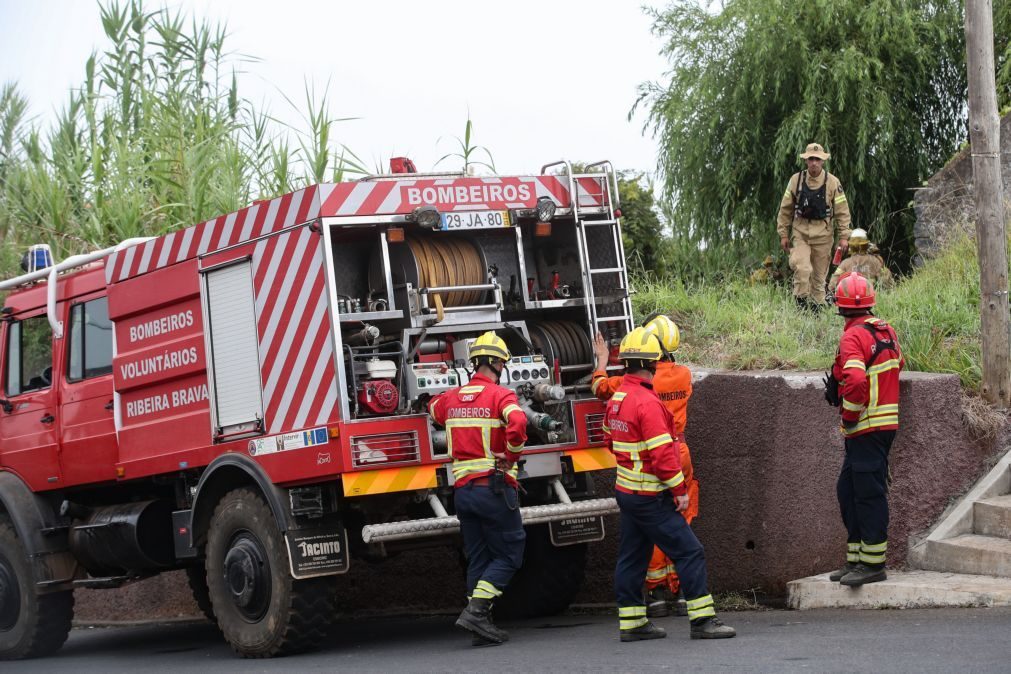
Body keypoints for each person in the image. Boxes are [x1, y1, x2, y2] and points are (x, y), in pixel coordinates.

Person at [605, 327, 735, 641]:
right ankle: (703, 620)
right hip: (651, 496)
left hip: (628, 493)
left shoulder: (619, 398)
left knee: (632, 557)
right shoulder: (648, 403)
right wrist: (679, 492)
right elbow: (664, 455)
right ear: (652, 363)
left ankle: (633, 622)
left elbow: (610, 443)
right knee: (690, 552)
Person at [591, 315, 696, 618]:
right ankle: (681, 590)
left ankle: (656, 592)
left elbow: (600, 388)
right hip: (681, 451)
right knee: (681, 524)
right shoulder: (684, 375)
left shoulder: (628, 385)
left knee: (652, 530)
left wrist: (601, 362)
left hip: (653, 457)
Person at [428, 331, 528, 645]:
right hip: (493, 488)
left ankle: (480, 627)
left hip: (464, 493)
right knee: (510, 555)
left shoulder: (452, 398)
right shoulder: (501, 396)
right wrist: (510, 455)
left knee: (479, 558)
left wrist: (442, 380)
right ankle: (477, 610)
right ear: (498, 363)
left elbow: (432, 408)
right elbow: (519, 423)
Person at [823, 273, 903, 586]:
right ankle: (856, 560)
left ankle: (873, 565)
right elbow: (897, 367)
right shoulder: (885, 330)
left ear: (840, 306)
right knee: (849, 490)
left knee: (868, 494)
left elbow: (855, 381)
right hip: (882, 427)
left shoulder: (852, 337)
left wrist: (850, 415)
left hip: (866, 428)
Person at [777, 142, 852, 310]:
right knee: (803, 269)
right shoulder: (795, 180)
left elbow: (842, 211)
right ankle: (800, 307)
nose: (814, 163)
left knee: (819, 279)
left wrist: (844, 237)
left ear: (823, 161)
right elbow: (785, 208)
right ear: (806, 160)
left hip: (823, 236)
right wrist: (783, 233)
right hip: (800, 233)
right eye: (811, 159)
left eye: (817, 159)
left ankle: (817, 312)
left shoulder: (833, 182)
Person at [829, 228, 895, 290]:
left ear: (851, 245)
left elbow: (832, 284)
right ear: (866, 244)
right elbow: (887, 283)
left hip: (850, 297)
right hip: (870, 297)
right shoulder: (875, 261)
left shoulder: (845, 263)